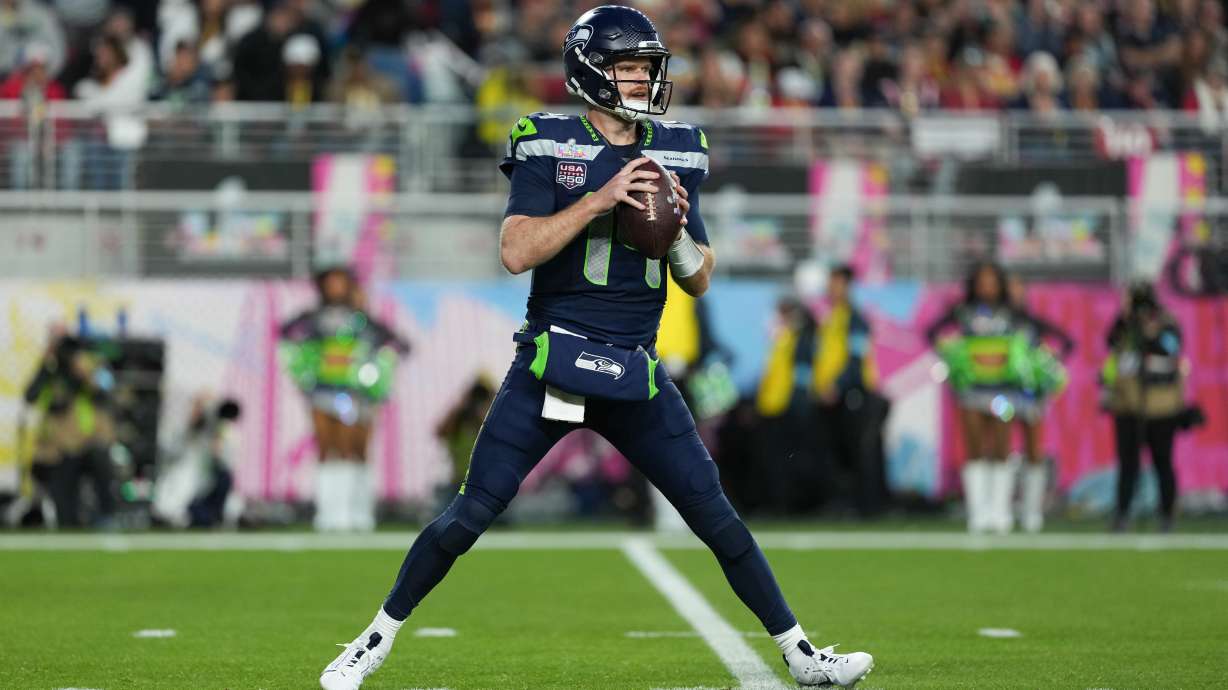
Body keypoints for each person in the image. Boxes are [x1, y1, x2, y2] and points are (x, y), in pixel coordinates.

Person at [318, 7, 873, 689]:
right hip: (554, 361)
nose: (644, 80)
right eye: (631, 68)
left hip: (635, 370)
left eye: (649, 68)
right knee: (469, 514)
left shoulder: (675, 149)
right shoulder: (549, 140)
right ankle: (370, 642)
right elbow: (515, 250)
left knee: (714, 513)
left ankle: (800, 654)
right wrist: (600, 200)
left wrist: (673, 236)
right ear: (591, 71)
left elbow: (699, 279)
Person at [281, 267, 409, 532]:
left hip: (356, 394)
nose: (335, 288)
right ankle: (329, 513)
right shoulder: (313, 319)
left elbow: (398, 344)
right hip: (322, 392)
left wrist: (377, 373)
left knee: (354, 449)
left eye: (341, 283)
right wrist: (304, 369)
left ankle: (357, 512)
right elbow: (286, 333)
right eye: (330, 283)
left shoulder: (362, 320)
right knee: (327, 450)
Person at [927, 262, 1030, 534]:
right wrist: (949, 352)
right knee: (973, 449)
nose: (987, 286)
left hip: (1003, 391)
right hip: (972, 392)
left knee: (1001, 447)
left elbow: (1031, 337)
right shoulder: (964, 313)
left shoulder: (1011, 314)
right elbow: (932, 332)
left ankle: (1000, 512)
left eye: (992, 281)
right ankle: (978, 511)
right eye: (982, 281)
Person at [1101, 283, 1186, 532]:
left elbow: (1170, 347)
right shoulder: (1126, 325)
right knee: (1128, 464)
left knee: (1163, 462)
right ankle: (1122, 514)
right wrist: (1126, 319)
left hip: (1161, 406)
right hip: (1129, 404)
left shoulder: (1166, 322)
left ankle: (1167, 514)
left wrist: (1151, 331)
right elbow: (1111, 341)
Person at [1006, 274, 1074, 533]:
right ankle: (999, 509)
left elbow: (1066, 341)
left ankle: (1032, 511)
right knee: (1000, 449)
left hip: (1030, 394)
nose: (1014, 295)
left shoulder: (1030, 323)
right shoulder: (998, 323)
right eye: (1010, 289)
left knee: (1034, 449)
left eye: (1018, 290)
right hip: (1002, 394)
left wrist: (1048, 364)